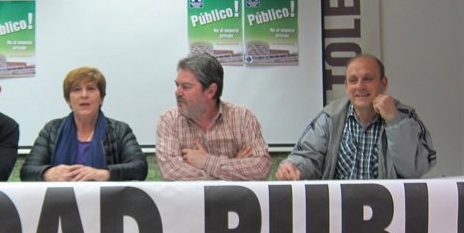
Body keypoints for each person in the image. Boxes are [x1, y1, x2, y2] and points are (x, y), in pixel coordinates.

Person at [275, 53, 436, 180]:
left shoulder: (405, 117)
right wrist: (294, 168)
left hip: (390, 207)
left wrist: (394, 121)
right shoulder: (330, 117)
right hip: (338, 206)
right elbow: (308, 157)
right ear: (346, 87)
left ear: (383, 84)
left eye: (368, 79)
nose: (360, 86)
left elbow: (413, 170)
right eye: (353, 80)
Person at [156, 53, 271, 181]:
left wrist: (206, 161)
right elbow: (172, 173)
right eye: (177, 85)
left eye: (186, 87)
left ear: (211, 91)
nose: (177, 92)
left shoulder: (242, 117)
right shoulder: (169, 120)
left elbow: (261, 168)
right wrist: (233, 169)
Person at [20, 66, 147, 181]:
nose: (84, 95)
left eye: (91, 89)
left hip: (107, 199)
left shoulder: (119, 130)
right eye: (76, 90)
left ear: (101, 98)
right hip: (60, 198)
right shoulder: (52, 129)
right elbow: (27, 171)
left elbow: (140, 168)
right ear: (68, 99)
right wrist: (47, 174)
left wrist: (103, 174)